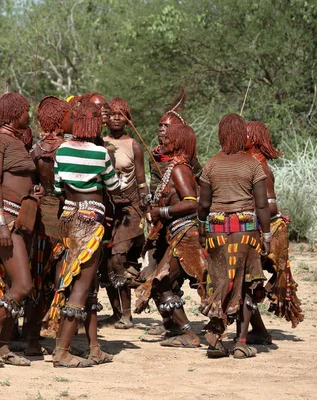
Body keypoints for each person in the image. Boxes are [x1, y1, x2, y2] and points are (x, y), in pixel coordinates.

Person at [0, 92, 41, 367]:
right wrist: (1, 223)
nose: (29, 115)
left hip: (20, 219)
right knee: (23, 285)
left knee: (15, 284)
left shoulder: (15, 141)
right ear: (14, 113)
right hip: (6, 221)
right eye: (26, 111)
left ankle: (3, 347)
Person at [50, 101, 119, 367]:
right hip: (91, 221)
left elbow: (58, 188)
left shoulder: (62, 150)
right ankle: (62, 352)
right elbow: (114, 185)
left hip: (67, 219)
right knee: (80, 288)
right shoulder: (101, 153)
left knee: (85, 286)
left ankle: (94, 348)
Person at [198, 113, 271, 359]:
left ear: (221, 135)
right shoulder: (253, 165)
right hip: (245, 232)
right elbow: (262, 206)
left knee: (220, 282)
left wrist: (200, 226)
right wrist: (268, 234)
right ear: (242, 135)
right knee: (247, 284)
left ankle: (216, 340)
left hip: (216, 231)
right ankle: (240, 343)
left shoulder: (210, 164)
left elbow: (204, 204)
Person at [134, 124, 206, 348]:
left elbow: (191, 203)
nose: (163, 140)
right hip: (178, 233)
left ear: (179, 143)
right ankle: (178, 329)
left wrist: (161, 211)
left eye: (169, 138)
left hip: (185, 236)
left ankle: (188, 334)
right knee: (161, 283)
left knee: (161, 282)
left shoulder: (179, 169)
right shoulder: (175, 167)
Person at [246, 121, 303, 341]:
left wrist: (245, 210)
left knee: (247, 281)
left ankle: (258, 331)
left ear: (256, 140)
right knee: (245, 283)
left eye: (246, 135)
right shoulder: (250, 164)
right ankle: (258, 330)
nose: (241, 138)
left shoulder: (261, 168)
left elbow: (271, 206)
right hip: (256, 228)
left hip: (267, 231)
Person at [25, 96, 72, 355]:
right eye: (67, 116)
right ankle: (60, 344)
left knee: (36, 278)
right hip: (62, 219)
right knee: (62, 281)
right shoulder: (68, 148)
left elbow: (32, 182)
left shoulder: (36, 150)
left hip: (40, 219)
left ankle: (32, 340)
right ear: (59, 119)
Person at [102, 98, 149, 329]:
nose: (117, 118)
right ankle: (116, 312)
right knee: (105, 259)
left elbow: (141, 181)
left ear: (128, 119)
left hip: (129, 208)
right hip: (107, 207)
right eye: (112, 114)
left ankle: (127, 315)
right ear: (106, 118)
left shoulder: (134, 145)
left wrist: (145, 208)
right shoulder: (99, 143)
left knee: (118, 256)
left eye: (122, 114)